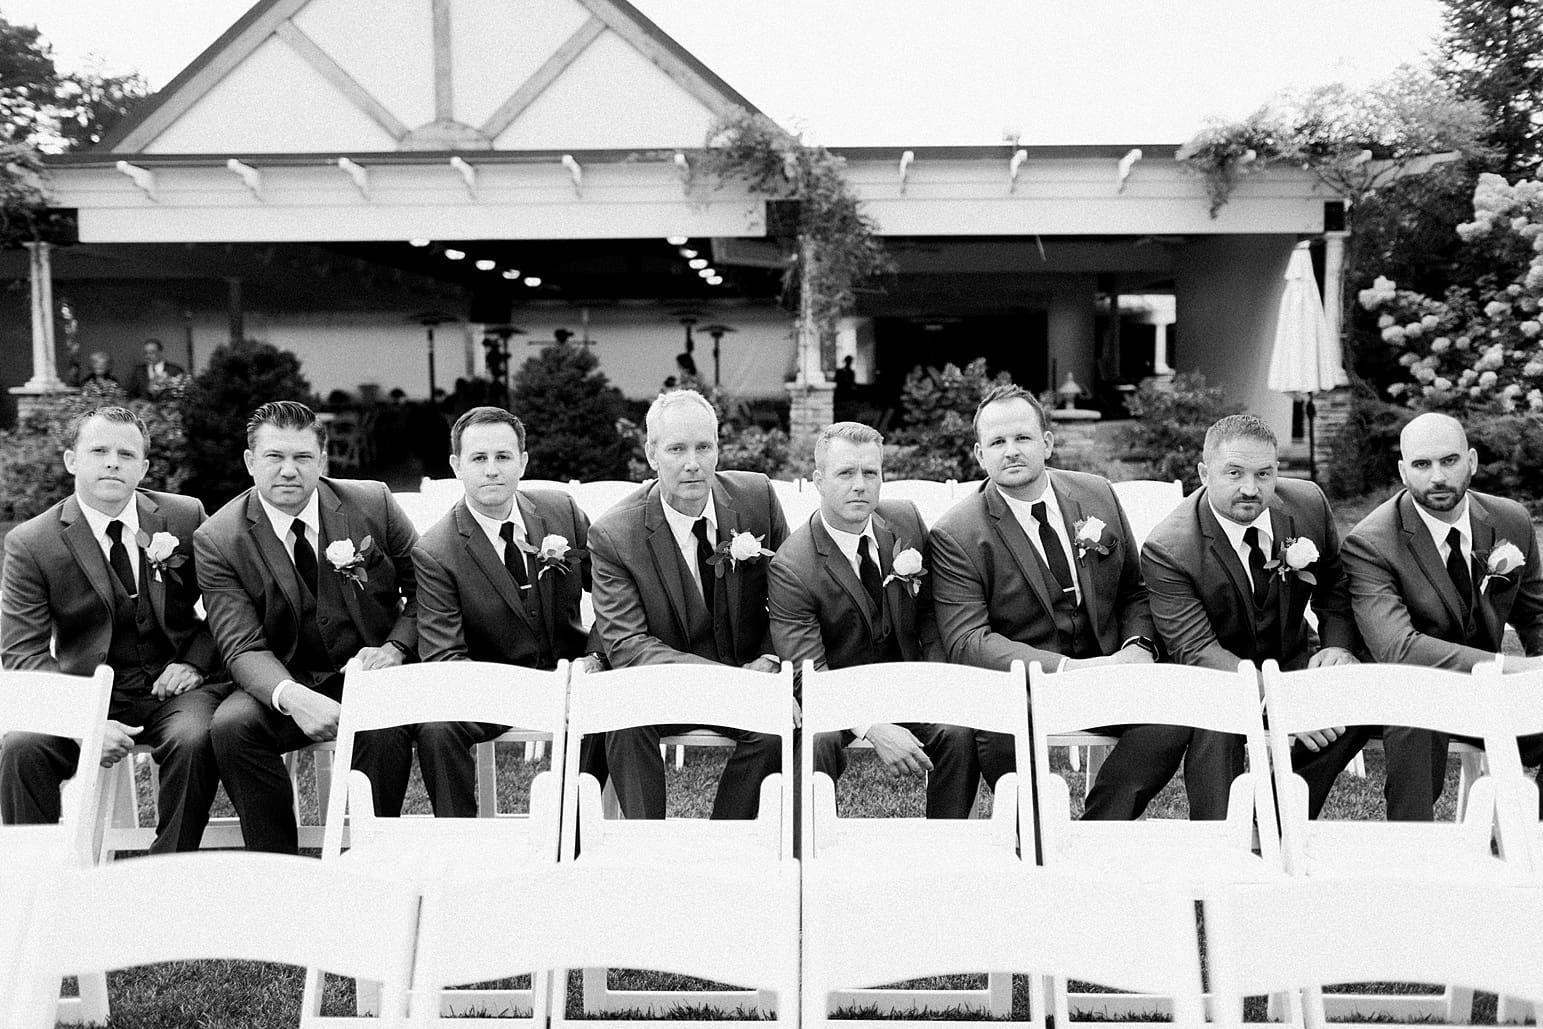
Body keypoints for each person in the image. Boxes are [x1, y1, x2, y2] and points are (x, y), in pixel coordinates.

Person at [195, 400, 419, 852]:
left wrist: (395, 647)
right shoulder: (219, 538)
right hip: (285, 674)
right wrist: (293, 698)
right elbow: (241, 647)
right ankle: (279, 864)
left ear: (322, 460)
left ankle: (373, 856)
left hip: (370, 673)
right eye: (274, 457)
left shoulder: (372, 502)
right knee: (231, 727)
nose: (288, 471)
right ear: (250, 462)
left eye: (302, 458)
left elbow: (428, 590)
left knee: (386, 719)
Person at [929, 384, 1161, 818]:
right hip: (1022, 691)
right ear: (980, 456)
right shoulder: (957, 532)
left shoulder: (1098, 495)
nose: (1011, 451)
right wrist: (1070, 670)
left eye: (1022, 438)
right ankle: (1033, 837)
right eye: (997, 442)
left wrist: (1138, 648)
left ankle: (1098, 829)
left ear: (1048, 444)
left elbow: (1135, 589)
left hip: (1108, 675)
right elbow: (968, 641)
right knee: (996, 733)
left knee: (1169, 720)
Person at [1, 406, 226, 852]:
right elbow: (22, 652)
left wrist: (194, 663)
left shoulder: (183, 517)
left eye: (126, 454)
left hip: (174, 692)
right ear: (71, 461)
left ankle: (164, 873)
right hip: (84, 689)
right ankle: (35, 884)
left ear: (143, 467)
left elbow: (228, 605)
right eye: (98, 451)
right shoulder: (32, 542)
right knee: (19, 750)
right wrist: (85, 718)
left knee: (194, 740)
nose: (112, 462)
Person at [1143, 414, 1365, 820]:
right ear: (1203, 473)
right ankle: (1222, 840)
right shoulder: (1168, 547)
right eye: (1234, 473)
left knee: (1350, 700)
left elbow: (1336, 586)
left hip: (1292, 656)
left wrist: (1337, 646)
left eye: (1264, 474)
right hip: (1216, 674)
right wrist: (1281, 703)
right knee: (1220, 718)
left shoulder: (1308, 504)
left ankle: (1285, 816)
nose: (1251, 488)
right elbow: (1196, 650)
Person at [589, 389, 788, 819]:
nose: (692, 462)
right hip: (659, 686)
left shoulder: (758, 498)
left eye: (704, 447)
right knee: (623, 724)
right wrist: (732, 680)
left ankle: (726, 846)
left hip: (747, 672)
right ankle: (650, 852)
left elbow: (792, 599)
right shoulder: (613, 534)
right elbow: (627, 645)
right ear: (651, 453)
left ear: (719, 448)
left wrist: (770, 657)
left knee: (775, 732)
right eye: (677, 449)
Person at [768, 422, 977, 818]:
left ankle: (946, 847)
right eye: (846, 473)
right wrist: (872, 727)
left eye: (871, 473)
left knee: (958, 732)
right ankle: (806, 846)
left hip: (906, 682)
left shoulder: (904, 520)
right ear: (818, 481)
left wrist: (939, 684)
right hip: (834, 694)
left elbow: (931, 615)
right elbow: (806, 676)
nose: (860, 485)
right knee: (818, 740)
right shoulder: (792, 566)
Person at [1342, 412, 1543, 820]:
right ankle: (1414, 853)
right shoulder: (1369, 542)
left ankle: (1531, 838)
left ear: (1471, 461)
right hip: (1411, 695)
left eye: (1449, 461)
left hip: (1489, 701)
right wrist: (1510, 668)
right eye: (1421, 464)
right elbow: (1399, 648)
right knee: (1415, 703)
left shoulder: (1510, 520)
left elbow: (1536, 616)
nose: (1437, 476)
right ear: (1402, 471)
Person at [411, 406, 601, 815]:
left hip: (574, 676)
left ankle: (575, 827)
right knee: (436, 730)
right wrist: (524, 692)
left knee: (613, 702)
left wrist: (594, 658)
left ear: (523, 462)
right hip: (491, 691)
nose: (492, 470)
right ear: (456, 466)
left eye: (503, 457)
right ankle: (463, 845)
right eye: (479, 459)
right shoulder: (435, 551)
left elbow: (613, 594)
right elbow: (445, 658)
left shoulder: (561, 511)